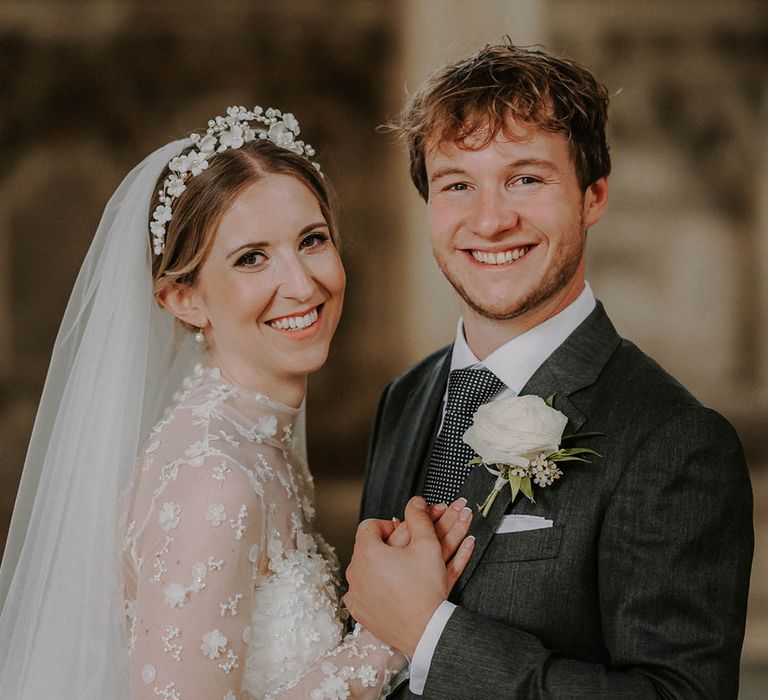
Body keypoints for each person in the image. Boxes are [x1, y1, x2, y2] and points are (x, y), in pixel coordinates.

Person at [0, 105, 474, 699]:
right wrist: (390, 636)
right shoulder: (213, 478)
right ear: (183, 301)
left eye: (312, 241)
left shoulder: (256, 439)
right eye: (252, 258)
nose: (302, 284)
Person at [345, 41, 754, 699]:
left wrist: (431, 637)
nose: (490, 220)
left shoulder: (676, 442)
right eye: (458, 184)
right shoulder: (407, 397)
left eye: (526, 179)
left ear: (593, 196)